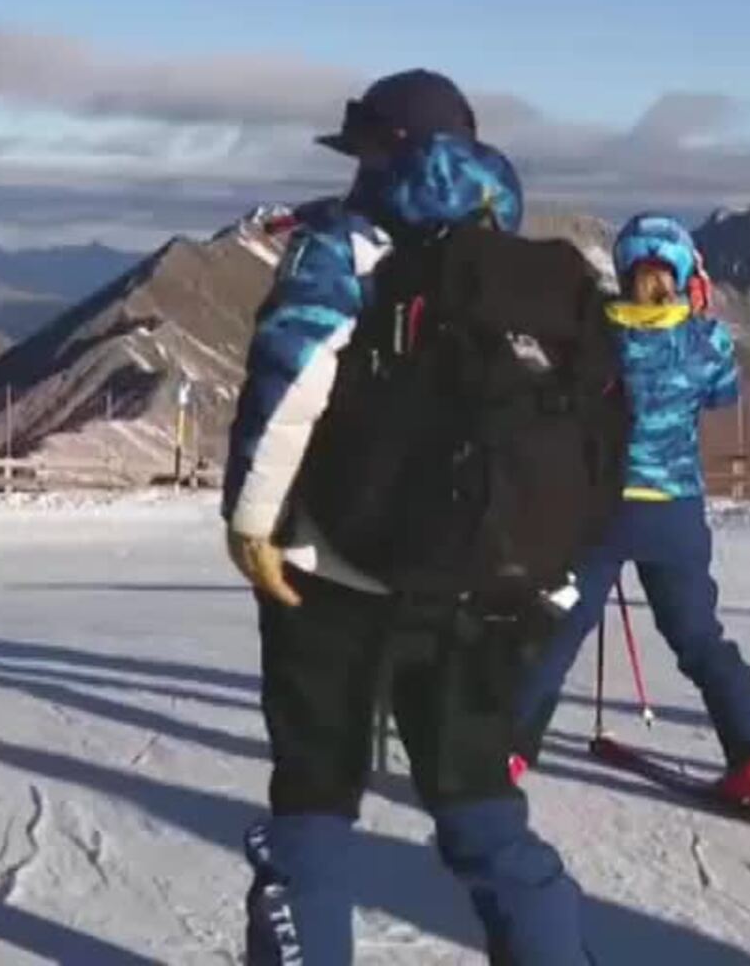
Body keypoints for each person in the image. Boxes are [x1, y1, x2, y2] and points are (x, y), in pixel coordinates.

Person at [221, 69, 593, 965]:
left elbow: (294, 374)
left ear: (389, 153)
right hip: (483, 583)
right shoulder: (529, 270)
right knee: (483, 817)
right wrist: (547, 566)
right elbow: (592, 430)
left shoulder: (343, 248)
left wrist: (252, 521)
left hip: (335, 573)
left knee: (312, 810)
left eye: (363, 152)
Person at [510, 213, 750, 816]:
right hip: (675, 514)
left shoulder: (596, 334)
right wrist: (697, 315)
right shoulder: (705, 340)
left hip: (601, 511)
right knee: (699, 638)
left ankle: (506, 753)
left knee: (557, 632)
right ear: (686, 273)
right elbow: (722, 394)